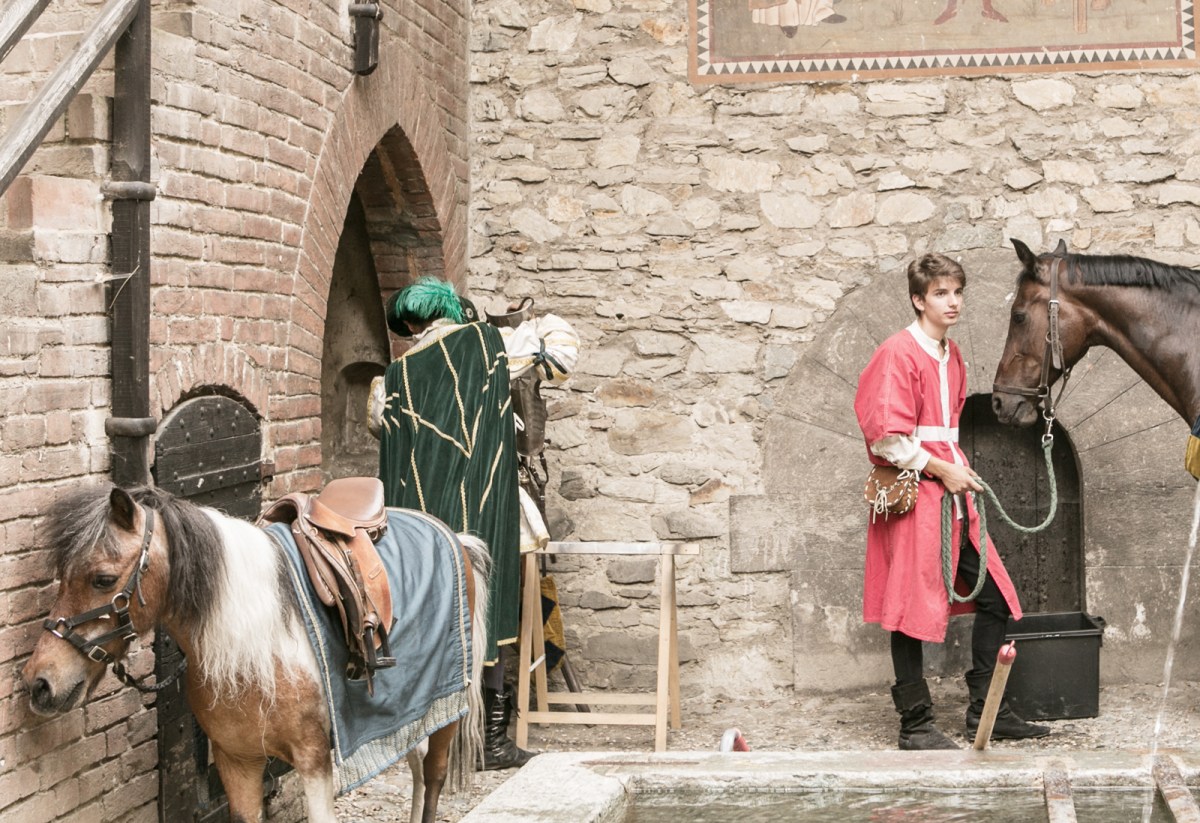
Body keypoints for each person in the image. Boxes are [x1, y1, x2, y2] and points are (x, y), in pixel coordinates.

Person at [367, 276, 579, 770]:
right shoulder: (491, 345)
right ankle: (491, 743)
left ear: (412, 326)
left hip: (421, 523)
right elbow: (562, 353)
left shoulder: (392, 379)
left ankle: (429, 740)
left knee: (434, 618)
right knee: (490, 611)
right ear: (452, 311)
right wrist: (526, 321)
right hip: (484, 508)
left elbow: (380, 426)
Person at [853, 253, 1050, 750]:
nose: (953, 301)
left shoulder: (952, 354)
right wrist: (942, 470)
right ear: (918, 300)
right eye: (941, 293)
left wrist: (955, 470)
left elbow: (944, 429)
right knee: (908, 606)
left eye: (957, 292)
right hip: (918, 496)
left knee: (996, 597)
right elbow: (886, 438)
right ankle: (914, 724)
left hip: (953, 496)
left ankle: (986, 710)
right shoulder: (898, 353)